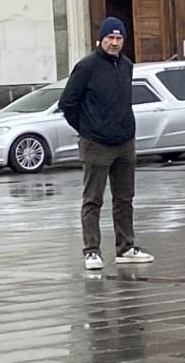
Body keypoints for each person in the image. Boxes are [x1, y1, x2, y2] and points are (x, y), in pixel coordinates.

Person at [60, 17, 153, 272]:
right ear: (99, 39)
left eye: (119, 38)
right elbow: (67, 103)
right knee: (93, 199)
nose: (114, 43)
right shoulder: (87, 66)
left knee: (125, 198)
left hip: (125, 142)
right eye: (110, 38)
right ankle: (91, 251)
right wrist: (87, 129)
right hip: (96, 144)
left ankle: (125, 247)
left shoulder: (126, 66)